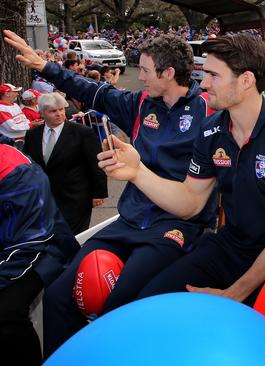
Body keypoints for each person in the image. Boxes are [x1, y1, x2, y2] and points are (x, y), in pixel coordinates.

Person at [3, 29, 218, 356]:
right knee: (59, 295)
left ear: (168, 73)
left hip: (174, 225)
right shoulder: (142, 103)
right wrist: (46, 68)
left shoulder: (208, 110)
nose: (139, 76)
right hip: (129, 221)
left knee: (118, 301)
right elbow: (93, 91)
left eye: (145, 70)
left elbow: (259, 123)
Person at [98, 33, 265, 306]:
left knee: (242, 330)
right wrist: (137, 172)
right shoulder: (212, 129)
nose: (202, 83)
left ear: (247, 80)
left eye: (214, 75)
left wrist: (234, 294)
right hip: (231, 247)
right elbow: (191, 201)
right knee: (147, 306)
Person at [0, 144, 79, 366]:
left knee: (5, 312)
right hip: (13, 245)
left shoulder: (15, 170)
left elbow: (29, 243)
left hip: (43, 250)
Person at [22, 93, 108, 234]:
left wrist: (98, 193)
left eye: (61, 109)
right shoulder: (33, 135)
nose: (59, 114)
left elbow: (95, 164)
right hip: (44, 197)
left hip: (76, 197)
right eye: (53, 111)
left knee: (73, 237)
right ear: (42, 113)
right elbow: (29, 165)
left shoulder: (82, 133)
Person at [0, 83, 31, 147]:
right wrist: (30, 125)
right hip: (12, 142)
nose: (17, 94)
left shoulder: (15, 105)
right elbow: (12, 127)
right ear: (7, 94)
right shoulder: (1, 109)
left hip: (24, 138)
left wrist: (29, 124)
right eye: (15, 92)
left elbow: (24, 119)